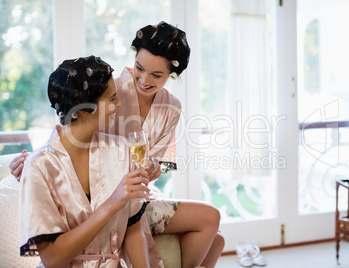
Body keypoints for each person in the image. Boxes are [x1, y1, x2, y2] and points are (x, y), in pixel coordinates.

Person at [12, 21, 225, 267]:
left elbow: (147, 163)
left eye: (156, 75)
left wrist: (152, 169)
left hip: (134, 191)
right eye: (139, 68)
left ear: (172, 75)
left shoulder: (171, 108)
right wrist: (34, 161)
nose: (144, 80)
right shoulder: (109, 89)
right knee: (211, 234)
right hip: (108, 192)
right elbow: (72, 130)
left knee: (215, 235)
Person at [19, 56, 151, 267]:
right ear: (82, 110)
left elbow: (134, 231)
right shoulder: (38, 167)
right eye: (111, 99)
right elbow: (52, 259)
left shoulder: (122, 150)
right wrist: (111, 204)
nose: (119, 103)